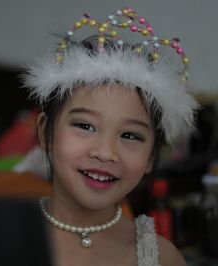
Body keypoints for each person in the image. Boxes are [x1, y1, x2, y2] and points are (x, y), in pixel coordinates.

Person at [22, 7, 199, 266]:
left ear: (152, 155)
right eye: (85, 126)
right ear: (44, 132)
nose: (105, 152)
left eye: (129, 135)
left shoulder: (162, 258)